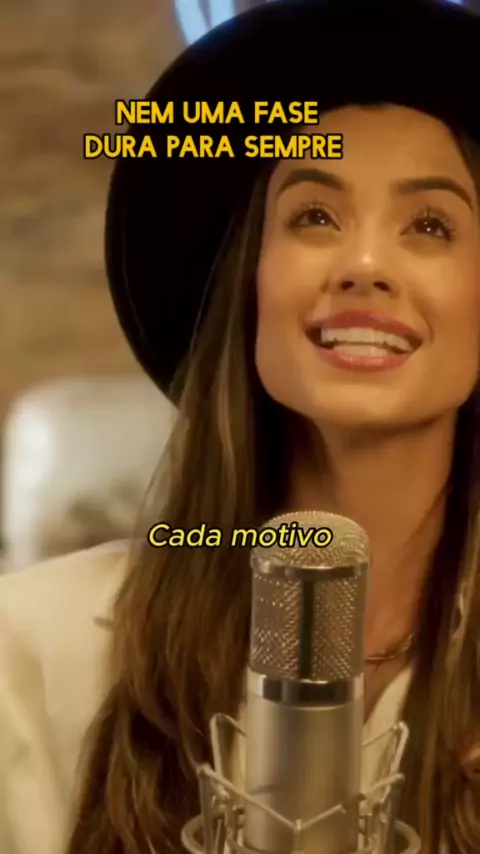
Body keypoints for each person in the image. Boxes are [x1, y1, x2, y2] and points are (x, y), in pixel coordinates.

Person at [2, 0, 480, 852]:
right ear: (249, 286)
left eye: (430, 226)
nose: (365, 264)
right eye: (314, 217)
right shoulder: (31, 651)